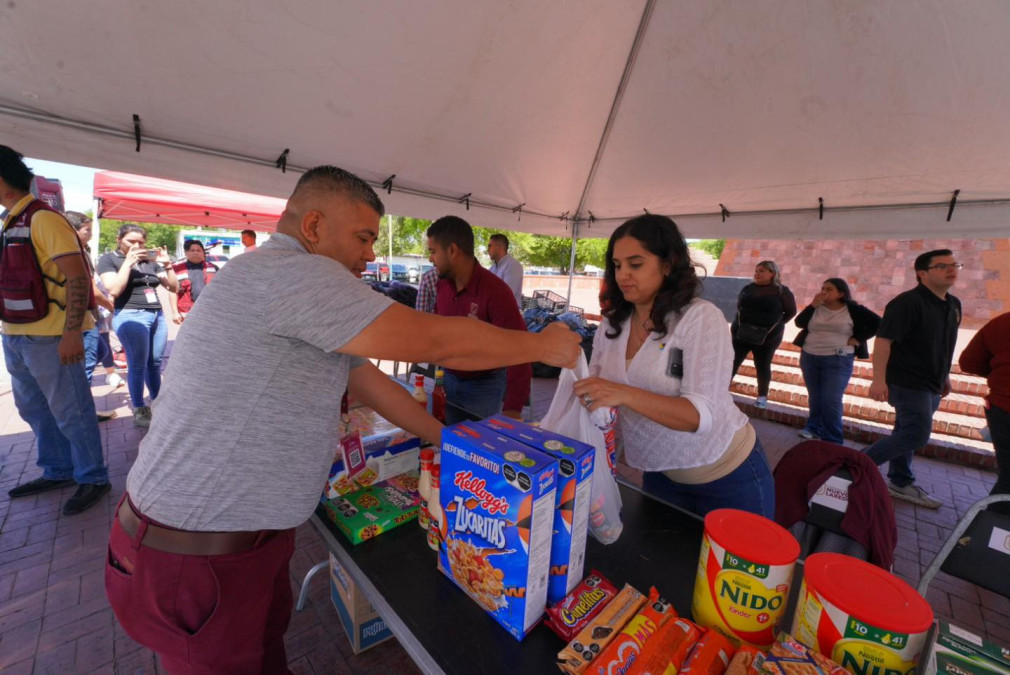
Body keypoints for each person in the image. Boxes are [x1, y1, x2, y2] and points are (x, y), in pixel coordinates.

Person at [104, 165, 579, 674]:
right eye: (363, 237)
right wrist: (539, 344)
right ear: (312, 226)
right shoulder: (294, 275)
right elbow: (436, 340)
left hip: (234, 544)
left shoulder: (286, 286)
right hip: (198, 554)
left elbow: (369, 382)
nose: (371, 253)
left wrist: (450, 441)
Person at [574, 214, 774, 518]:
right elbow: (598, 395)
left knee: (731, 567)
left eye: (635, 264)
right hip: (661, 473)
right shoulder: (612, 325)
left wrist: (622, 393)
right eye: (617, 265)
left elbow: (700, 415)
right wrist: (570, 366)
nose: (623, 274)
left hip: (728, 474)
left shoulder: (700, 318)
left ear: (668, 264)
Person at [0, 145, 111, 516]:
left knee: (71, 410)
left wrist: (72, 333)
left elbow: (78, 278)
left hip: (49, 335)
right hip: (16, 332)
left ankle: (92, 477)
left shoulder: (43, 219)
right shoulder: (11, 218)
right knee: (32, 407)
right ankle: (58, 469)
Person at [863, 249, 962, 509]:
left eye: (955, 265)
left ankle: (899, 481)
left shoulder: (953, 305)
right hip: (907, 382)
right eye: (942, 266)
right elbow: (884, 342)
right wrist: (878, 380)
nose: (951, 270)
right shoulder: (907, 303)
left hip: (933, 383)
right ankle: (854, 467)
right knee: (916, 435)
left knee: (904, 431)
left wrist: (945, 376)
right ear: (922, 273)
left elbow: (944, 345)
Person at [428, 216, 532, 423]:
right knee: (446, 441)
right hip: (448, 379)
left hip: (484, 387)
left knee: (479, 449)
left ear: (452, 250)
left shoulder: (496, 291)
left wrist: (513, 408)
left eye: (433, 251)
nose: (430, 259)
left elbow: (520, 348)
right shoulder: (442, 286)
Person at [97, 225, 179, 427]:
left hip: (156, 315)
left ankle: (158, 403)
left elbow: (173, 287)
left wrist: (167, 266)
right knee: (137, 364)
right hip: (131, 315)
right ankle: (139, 407)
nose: (136, 245)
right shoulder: (109, 259)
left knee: (155, 362)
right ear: (119, 239)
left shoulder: (149, 260)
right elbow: (114, 289)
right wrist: (128, 262)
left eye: (140, 242)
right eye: (130, 241)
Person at [793, 278, 881, 443]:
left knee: (831, 398)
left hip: (838, 359)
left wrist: (858, 338)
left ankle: (832, 439)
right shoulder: (816, 307)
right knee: (816, 396)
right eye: (822, 288)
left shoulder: (853, 309)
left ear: (841, 293)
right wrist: (812, 305)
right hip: (810, 356)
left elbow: (878, 323)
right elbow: (799, 323)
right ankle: (813, 428)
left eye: (829, 289)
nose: (823, 292)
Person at [67, 211, 120, 420]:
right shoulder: (74, 252)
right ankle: (83, 413)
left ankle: (81, 408)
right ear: (73, 230)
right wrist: (111, 306)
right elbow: (92, 290)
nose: (90, 234)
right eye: (87, 230)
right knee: (86, 367)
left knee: (99, 351)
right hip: (83, 319)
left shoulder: (81, 250)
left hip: (88, 318)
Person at [958, 311, 1010, 514]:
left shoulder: (1002, 322)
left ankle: (989, 535)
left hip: (1001, 408)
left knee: (1008, 479)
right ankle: (991, 538)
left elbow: (969, 362)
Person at [730, 260, 797, 409]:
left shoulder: (782, 291)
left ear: (772, 273)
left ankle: (762, 396)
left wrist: (775, 325)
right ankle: (721, 390)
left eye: (761, 270)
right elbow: (739, 306)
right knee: (732, 361)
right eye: (756, 270)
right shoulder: (748, 288)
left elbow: (791, 312)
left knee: (762, 365)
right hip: (742, 334)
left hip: (768, 337)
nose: (757, 273)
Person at [168, 239, 219, 324]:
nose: (196, 252)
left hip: (210, 311)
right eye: (192, 250)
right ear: (186, 253)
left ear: (203, 252)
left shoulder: (214, 268)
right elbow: (173, 292)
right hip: (188, 314)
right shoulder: (177, 269)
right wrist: (175, 313)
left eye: (199, 250)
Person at [488, 233, 524, 308]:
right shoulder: (493, 267)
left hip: (508, 313)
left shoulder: (513, 265)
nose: (488, 249)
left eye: (490, 246)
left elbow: (506, 295)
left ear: (499, 247)